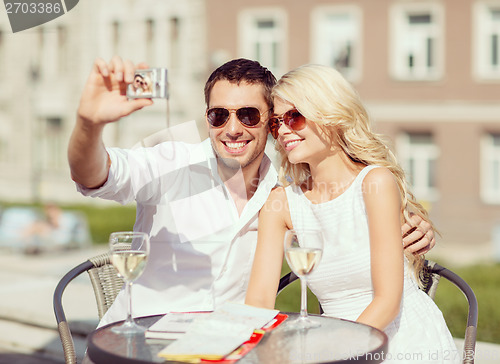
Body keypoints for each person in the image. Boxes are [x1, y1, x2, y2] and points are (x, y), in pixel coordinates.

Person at [68, 56, 436, 327]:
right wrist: (89, 125)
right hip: (140, 341)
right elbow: (94, 174)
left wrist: (416, 224)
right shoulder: (170, 162)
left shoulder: (286, 193)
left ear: (267, 123)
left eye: (249, 115)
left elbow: (348, 220)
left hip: (225, 347)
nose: (232, 128)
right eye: (218, 115)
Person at [245, 64, 458, 363]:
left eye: (294, 116)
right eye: (276, 123)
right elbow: (258, 302)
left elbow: (387, 302)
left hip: (402, 343)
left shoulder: (375, 183)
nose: (283, 131)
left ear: (330, 116)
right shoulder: (280, 204)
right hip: (331, 345)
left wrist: (331, 353)